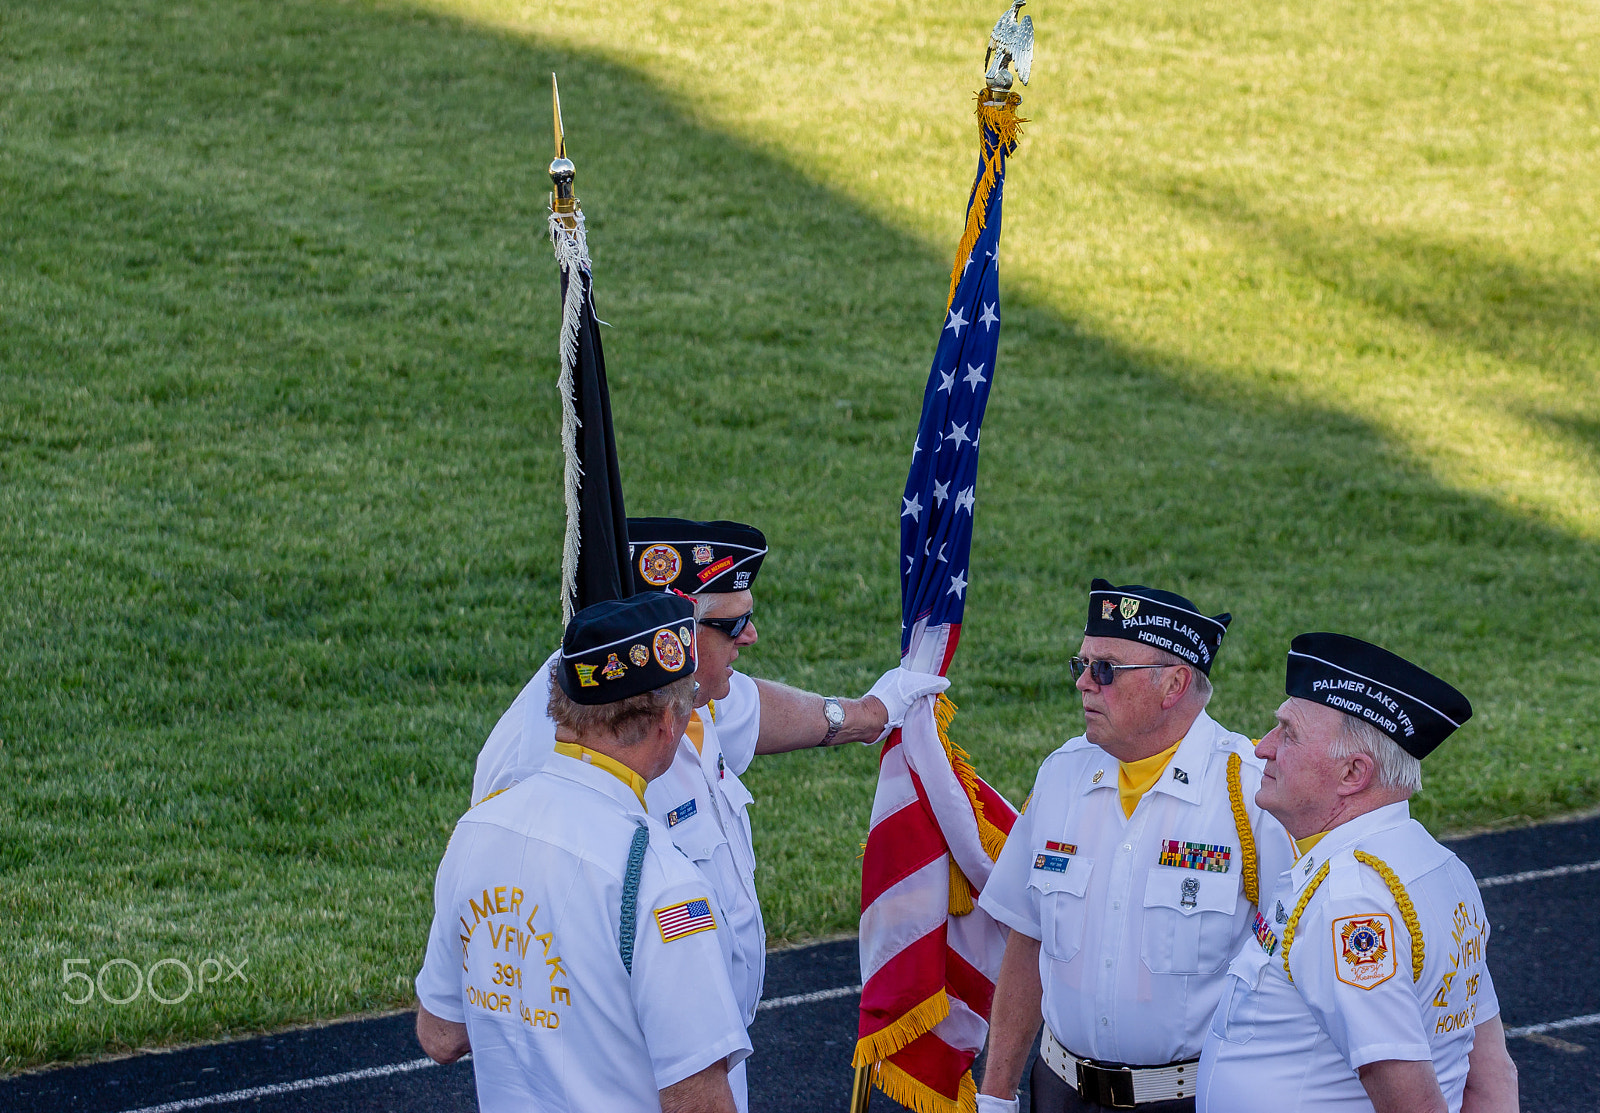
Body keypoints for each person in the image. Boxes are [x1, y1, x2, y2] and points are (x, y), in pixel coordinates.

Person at [467, 517, 944, 1111]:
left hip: (701, 1054)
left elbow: (757, 710)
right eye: (733, 623)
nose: (751, 637)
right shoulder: (541, 749)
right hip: (622, 1076)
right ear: (672, 630)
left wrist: (868, 715)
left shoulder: (682, 692)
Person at [414, 592, 751, 1112]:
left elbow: (440, 1034)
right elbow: (698, 1101)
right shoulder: (663, 882)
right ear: (668, 722)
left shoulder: (476, 829)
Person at [976, 579, 1294, 1113]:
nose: (1083, 683)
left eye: (1104, 670)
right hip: (1058, 1094)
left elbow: (1292, 972)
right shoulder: (1061, 777)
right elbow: (1027, 939)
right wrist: (995, 1095)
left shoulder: (1252, 795)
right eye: (1079, 665)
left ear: (1173, 684)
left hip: (1190, 1101)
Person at [1196, 633, 1519, 1113]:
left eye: (1288, 733)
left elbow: (1412, 1103)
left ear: (1353, 774)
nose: (1263, 748)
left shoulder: (1351, 900)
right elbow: (1491, 1073)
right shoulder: (1440, 867)